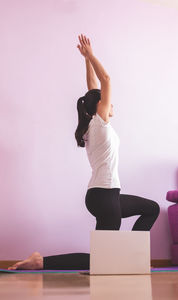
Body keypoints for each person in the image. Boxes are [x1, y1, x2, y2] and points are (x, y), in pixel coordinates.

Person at [8, 34, 160, 270]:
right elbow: (106, 80)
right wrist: (91, 55)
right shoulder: (100, 125)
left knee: (151, 208)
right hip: (105, 195)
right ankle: (40, 262)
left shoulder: (91, 124)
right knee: (101, 261)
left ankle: (132, 255)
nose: (111, 104)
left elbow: (93, 89)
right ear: (100, 106)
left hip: (104, 195)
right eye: (106, 102)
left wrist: (86, 61)